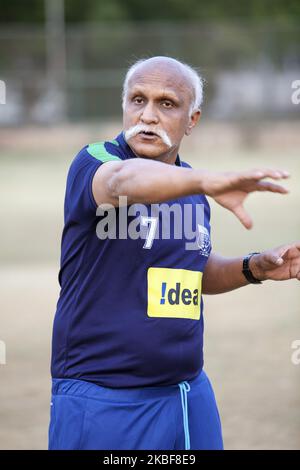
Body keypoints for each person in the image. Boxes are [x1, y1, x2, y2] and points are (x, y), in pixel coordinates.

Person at [49, 56, 300, 450]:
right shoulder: (97, 162)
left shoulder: (193, 192)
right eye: (137, 100)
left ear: (192, 119)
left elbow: (192, 273)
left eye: (166, 104)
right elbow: (121, 181)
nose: (147, 115)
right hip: (103, 399)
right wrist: (203, 180)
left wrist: (254, 267)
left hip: (188, 395)